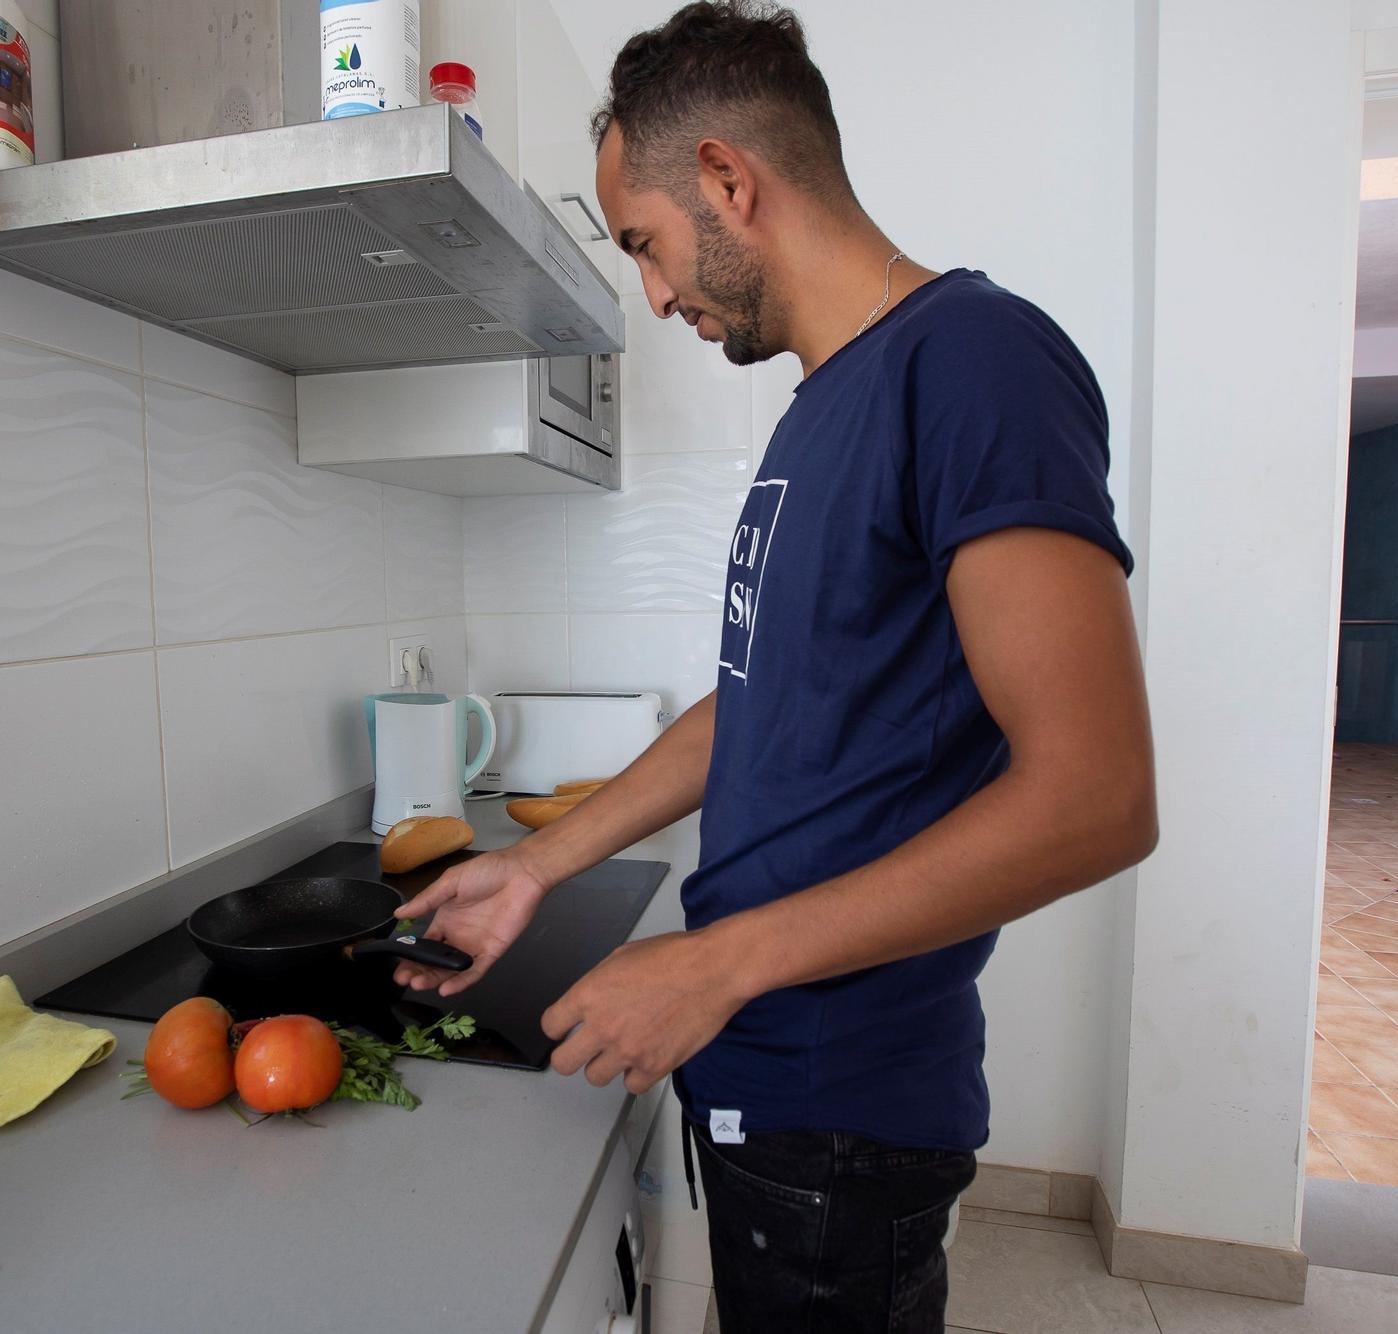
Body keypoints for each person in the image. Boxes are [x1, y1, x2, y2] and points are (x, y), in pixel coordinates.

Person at [394, 3, 1157, 1329]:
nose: (654, 291)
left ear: (730, 184)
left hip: (843, 1111)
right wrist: (534, 864)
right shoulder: (826, 405)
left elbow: (1097, 796)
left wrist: (715, 962)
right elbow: (752, 710)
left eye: (644, 242)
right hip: (781, 1087)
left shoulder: (973, 363)